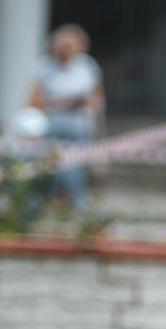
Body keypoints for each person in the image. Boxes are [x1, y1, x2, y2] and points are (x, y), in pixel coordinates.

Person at [26, 24, 105, 215]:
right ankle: (40, 214)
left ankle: (76, 215)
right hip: (50, 129)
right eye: (61, 45)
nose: (64, 50)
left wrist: (71, 102)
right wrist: (66, 102)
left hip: (78, 130)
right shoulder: (43, 66)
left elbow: (96, 99)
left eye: (69, 46)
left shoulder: (87, 66)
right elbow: (32, 101)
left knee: (74, 175)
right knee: (46, 174)